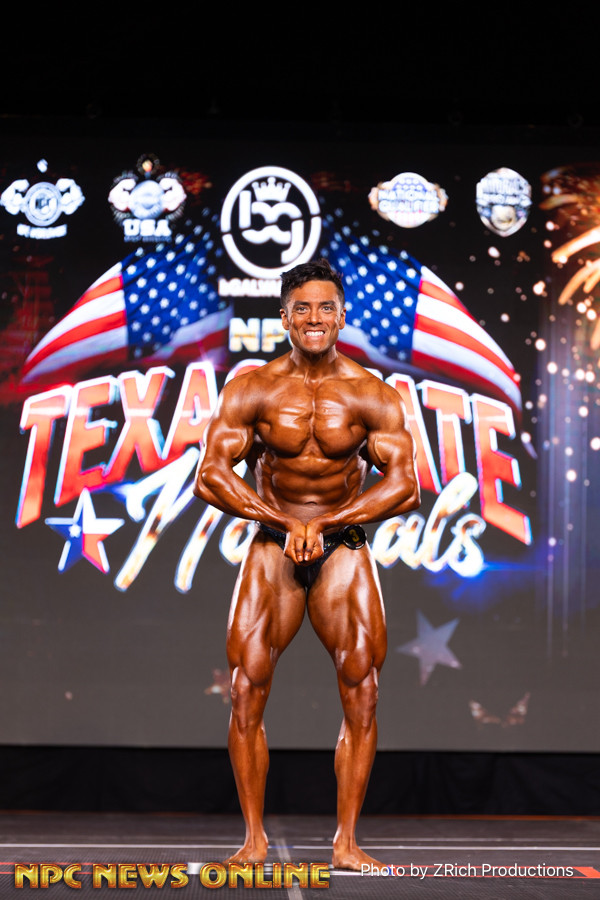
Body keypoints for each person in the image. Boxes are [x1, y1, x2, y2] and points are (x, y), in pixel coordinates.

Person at [194, 258, 420, 870]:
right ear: (284, 317)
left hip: (342, 543)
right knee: (246, 687)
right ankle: (253, 840)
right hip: (273, 541)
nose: (314, 317)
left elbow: (405, 486)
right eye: (302, 308)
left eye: (325, 307)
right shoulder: (253, 388)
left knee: (363, 689)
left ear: (341, 317)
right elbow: (210, 475)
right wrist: (283, 520)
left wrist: (322, 524)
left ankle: (346, 842)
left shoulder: (373, 394)